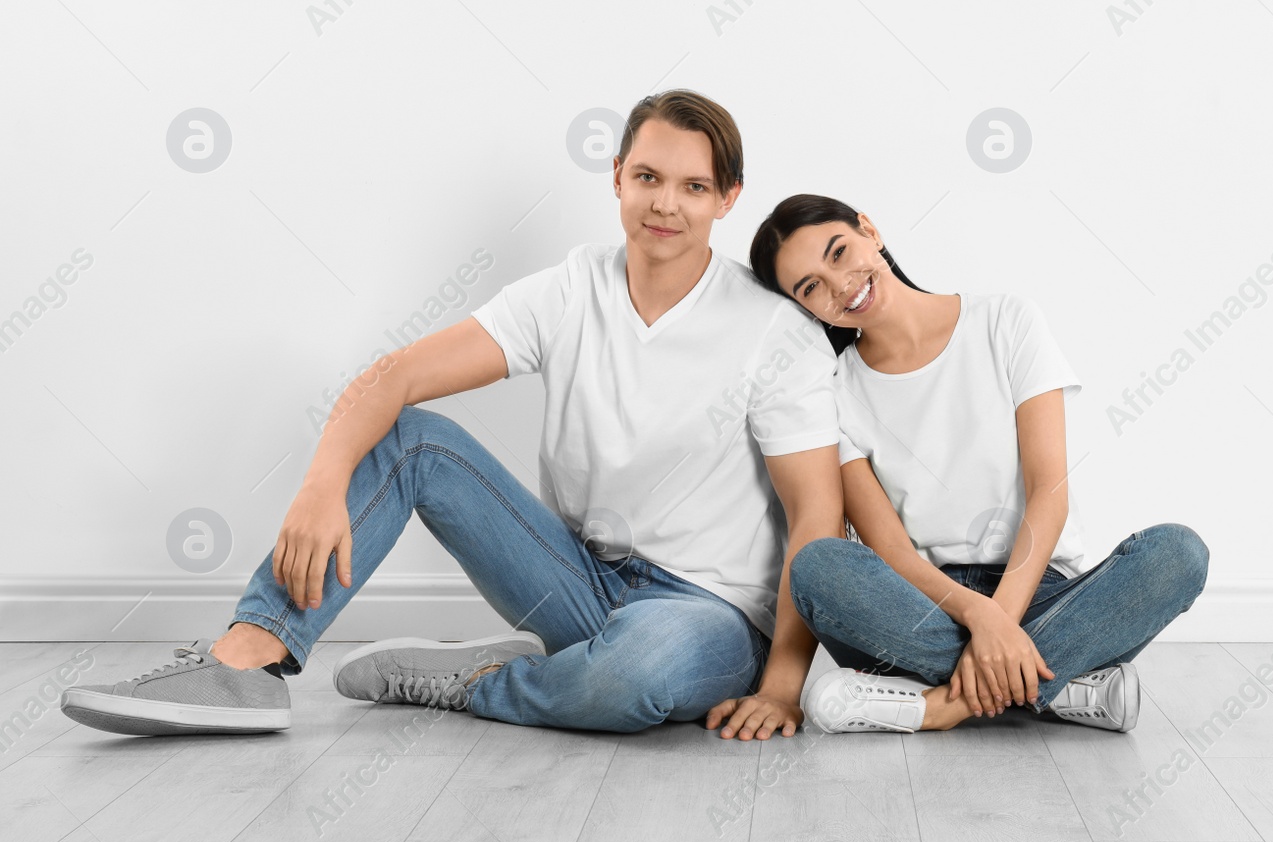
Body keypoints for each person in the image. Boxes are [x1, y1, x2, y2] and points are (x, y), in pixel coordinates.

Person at [61, 90, 844, 742]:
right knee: (412, 439)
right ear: (616, 178)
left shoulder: (773, 331)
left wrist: (781, 686)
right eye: (647, 176)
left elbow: (814, 517)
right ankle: (246, 662)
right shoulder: (571, 291)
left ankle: (481, 679)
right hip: (575, 577)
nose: (665, 204)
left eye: (693, 187)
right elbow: (396, 376)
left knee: (632, 676)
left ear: (727, 198)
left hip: (707, 612)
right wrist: (319, 483)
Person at [748, 194, 1210, 734]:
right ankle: (1062, 686)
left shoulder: (1006, 320)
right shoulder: (836, 391)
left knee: (1177, 554)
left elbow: (1048, 492)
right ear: (806, 309)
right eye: (810, 288)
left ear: (869, 230)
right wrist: (979, 618)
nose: (839, 284)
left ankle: (943, 705)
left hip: (1042, 585)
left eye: (839, 252)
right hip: (929, 603)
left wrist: (1001, 617)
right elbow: (890, 548)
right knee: (819, 565)